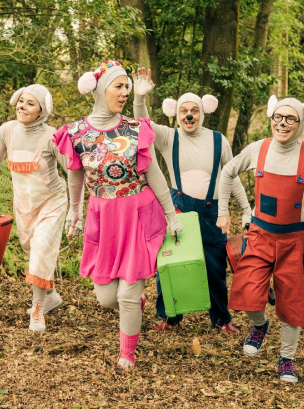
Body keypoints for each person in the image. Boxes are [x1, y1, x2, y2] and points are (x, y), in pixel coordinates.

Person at [52, 61, 183, 369]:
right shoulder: (75, 134)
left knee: (126, 294)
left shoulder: (135, 129)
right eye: (118, 86)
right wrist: (74, 213)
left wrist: (172, 215)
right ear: (99, 89)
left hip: (137, 214)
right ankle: (134, 303)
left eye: (127, 87)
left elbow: (155, 175)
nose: (124, 93)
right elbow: (75, 176)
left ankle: (127, 353)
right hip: (103, 218)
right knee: (106, 297)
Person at [217, 96, 304, 383]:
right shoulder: (258, 148)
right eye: (278, 117)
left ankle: (287, 359)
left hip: (294, 241)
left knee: (292, 304)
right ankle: (260, 325)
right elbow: (227, 171)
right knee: (247, 293)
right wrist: (223, 212)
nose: (282, 123)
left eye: (290, 118)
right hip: (259, 235)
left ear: (301, 123)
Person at [132, 68, 251, 334]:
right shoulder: (168, 137)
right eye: (184, 111)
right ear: (176, 114)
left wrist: (246, 210)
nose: (189, 115)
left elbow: (231, 177)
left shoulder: (218, 140)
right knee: (171, 264)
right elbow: (142, 123)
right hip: (179, 209)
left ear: (202, 113)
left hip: (212, 213)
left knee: (215, 267)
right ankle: (169, 317)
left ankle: (221, 319)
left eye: (194, 111)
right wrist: (140, 97)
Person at [0, 84, 82, 333]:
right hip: (23, 205)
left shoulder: (53, 137)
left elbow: (73, 172)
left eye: (30, 103)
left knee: (40, 250)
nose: (22, 107)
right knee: (33, 253)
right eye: (21, 101)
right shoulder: (7, 130)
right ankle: (51, 296)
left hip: (52, 202)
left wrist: (76, 212)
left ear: (42, 110)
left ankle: (37, 309)